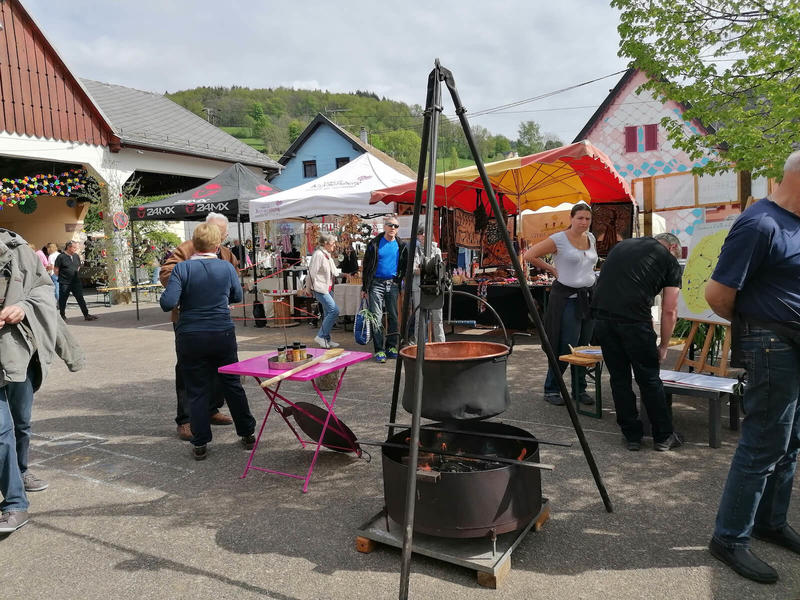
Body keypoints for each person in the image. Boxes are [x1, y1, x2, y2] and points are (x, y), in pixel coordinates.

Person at [704, 151, 800, 584]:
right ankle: (729, 538)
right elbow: (717, 294)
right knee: (763, 442)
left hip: (792, 343)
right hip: (771, 343)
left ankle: (770, 522)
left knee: (791, 440)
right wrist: (757, 326)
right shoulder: (759, 222)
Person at [0, 229, 84, 534]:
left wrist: (21, 308)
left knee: (20, 422)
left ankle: (20, 473)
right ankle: (14, 502)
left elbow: (43, 291)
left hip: (18, 352)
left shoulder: (17, 249)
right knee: (1, 430)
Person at [160, 223, 256, 461]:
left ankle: (200, 441)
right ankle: (246, 432)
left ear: (194, 243)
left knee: (196, 388)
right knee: (232, 383)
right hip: (221, 332)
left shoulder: (182, 269)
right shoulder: (226, 268)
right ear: (216, 245)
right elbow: (236, 296)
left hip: (191, 333)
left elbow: (167, 302)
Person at [591, 232, 683, 452]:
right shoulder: (669, 261)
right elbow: (669, 310)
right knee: (649, 379)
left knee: (619, 379)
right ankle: (663, 436)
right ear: (671, 248)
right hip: (635, 323)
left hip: (602, 319)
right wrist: (663, 346)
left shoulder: (622, 247)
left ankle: (631, 435)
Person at [524, 204, 597, 406]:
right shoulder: (559, 239)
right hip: (567, 299)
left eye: (587, 219)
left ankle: (579, 389)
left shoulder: (590, 238)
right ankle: (552, 388)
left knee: (584, 346)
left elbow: (588, 264)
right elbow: (529, 255)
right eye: (580, 218)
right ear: (571, 218)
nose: (584, 222)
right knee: (565, 344)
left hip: (588, 298)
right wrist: (552, 270)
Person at [361, 216, 408, 363]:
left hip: (392, 284)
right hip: (376, 284)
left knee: (393, 316)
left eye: (396, 226)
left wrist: (399, 281)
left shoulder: (402, 245)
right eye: (390, 225)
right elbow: (367, 266)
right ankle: (379, 350)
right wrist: (364, 287)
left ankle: (391, 347)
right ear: (384, 226)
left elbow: (404, 266)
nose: (393, 228)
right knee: (377, 316)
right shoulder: (374, 243)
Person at [408, 224, 445, 344]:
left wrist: (423, 268)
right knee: (420, 317)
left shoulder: (436, 249)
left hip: (435, 287)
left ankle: (440, 345)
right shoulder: (415, 250)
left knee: (437, 318)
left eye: (425, 233)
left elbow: (439, 269)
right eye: (421, 233)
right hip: (419, 287)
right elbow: (414, 269)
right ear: (418, 236)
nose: (423, 235)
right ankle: (419, 346)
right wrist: (428, 269)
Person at [308, 233, 342, 349]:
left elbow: (333, 272)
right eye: (333, 244)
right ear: (326, 244)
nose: (334, 246)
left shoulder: (326, 254)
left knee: (328, 313)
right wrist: (308, 289)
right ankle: (321, 336)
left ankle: (326, 339)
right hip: (320, 288)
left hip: (327, 288)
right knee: (334, 311)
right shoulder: (319, 255)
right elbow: (312, 273)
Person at [54, 241, 98, 321]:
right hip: (65, 282)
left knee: (80, 298)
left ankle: (86, 314)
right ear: (69, 247)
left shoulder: (76, 256)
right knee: (63, 299)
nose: (76, 249)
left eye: (76, 247)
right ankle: (62, 315)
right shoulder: (61, 257)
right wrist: (64, 277)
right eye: (74, 247)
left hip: (76, 282)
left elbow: (78, 267)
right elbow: (56, 270)